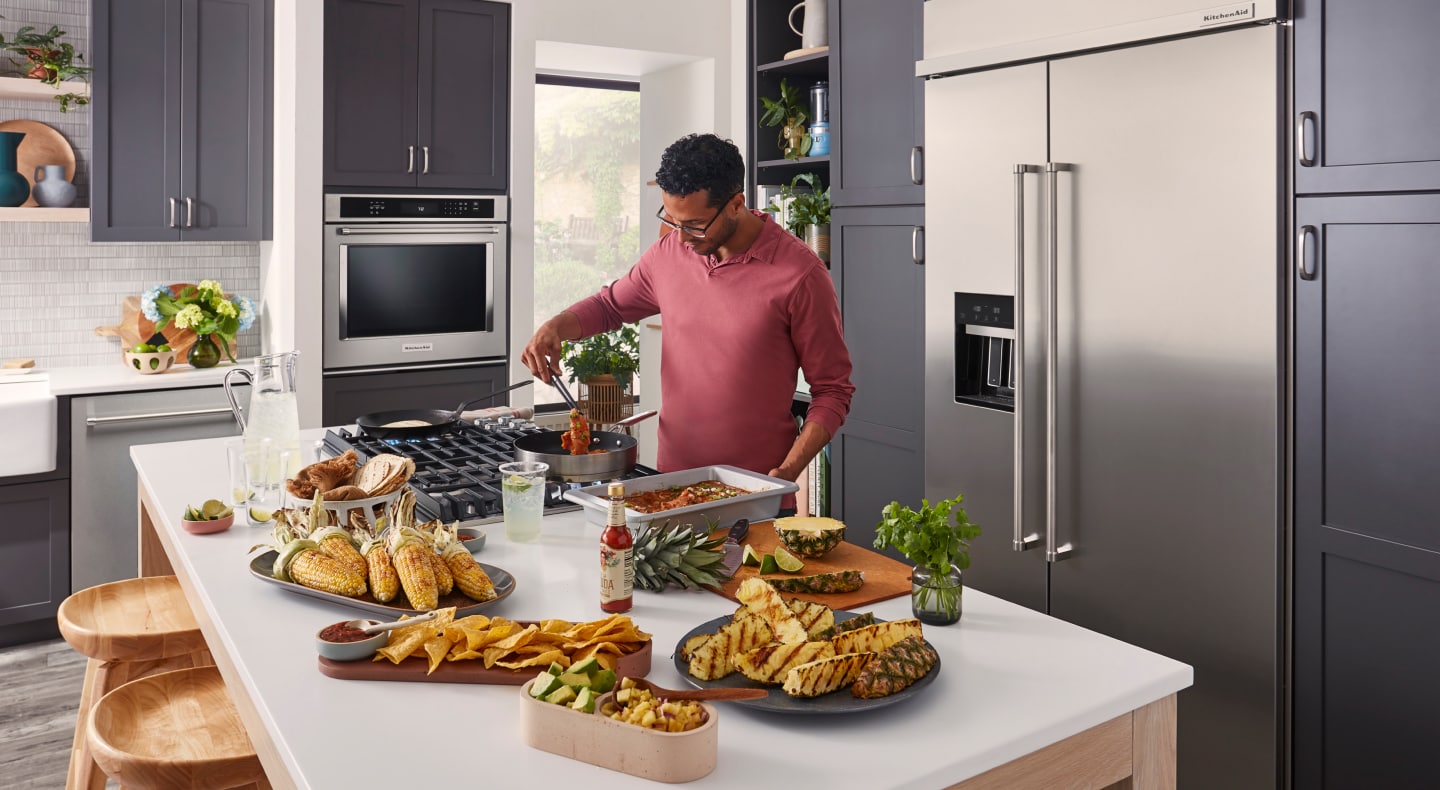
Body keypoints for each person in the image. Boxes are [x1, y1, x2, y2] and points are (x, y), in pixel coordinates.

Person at [522, 133, 854, 504]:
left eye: (694, 225)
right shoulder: (667, 254)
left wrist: (789, 471)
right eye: (671, 219)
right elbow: (610, 306)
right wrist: (554, 327)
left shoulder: (801, 275)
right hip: (668, 488)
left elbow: (833, 390)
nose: (680, 238)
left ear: (736, 205)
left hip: (755, 493)